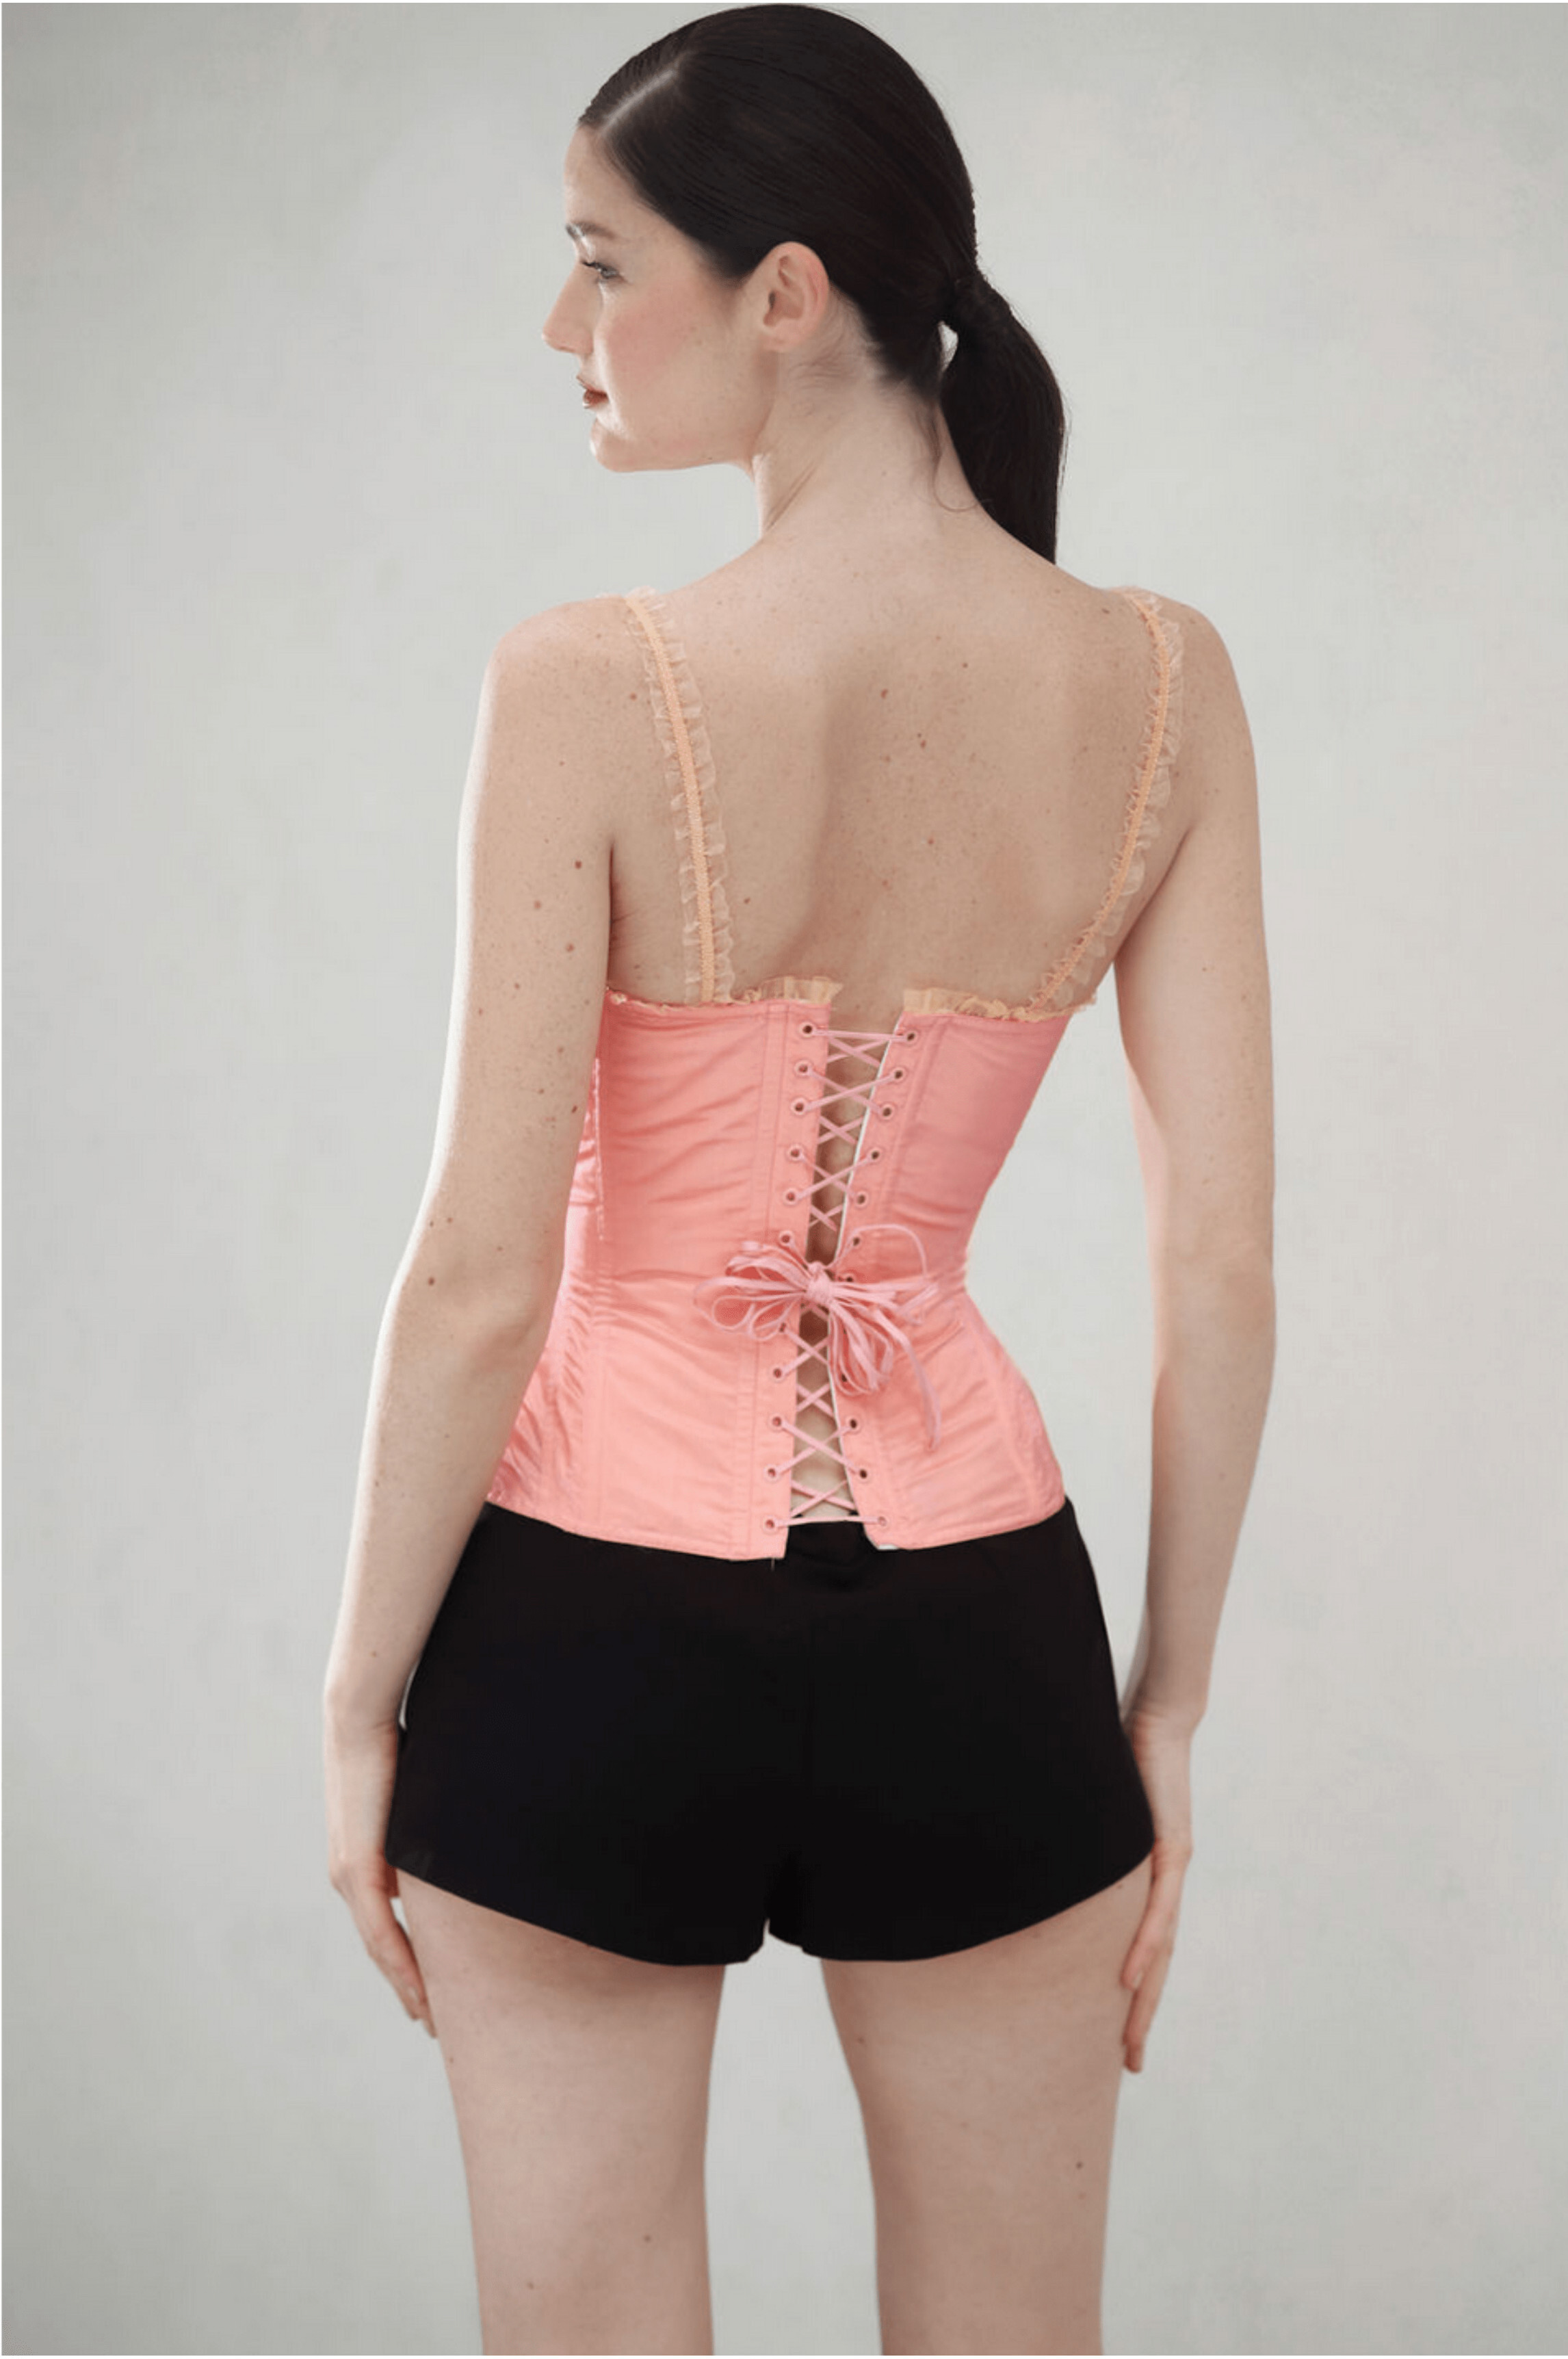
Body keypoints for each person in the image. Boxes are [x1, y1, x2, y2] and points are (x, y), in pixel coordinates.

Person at [322, 5, 1275, 2351]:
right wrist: (1162, 1703)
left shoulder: (591, 682)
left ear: (780, 290)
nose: (560, 325)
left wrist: (359, 1699)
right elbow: (1219, 1261)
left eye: (598, 259)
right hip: (984, 1636)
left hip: (579, 1623)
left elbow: (476, 1277)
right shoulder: (1162, 687)